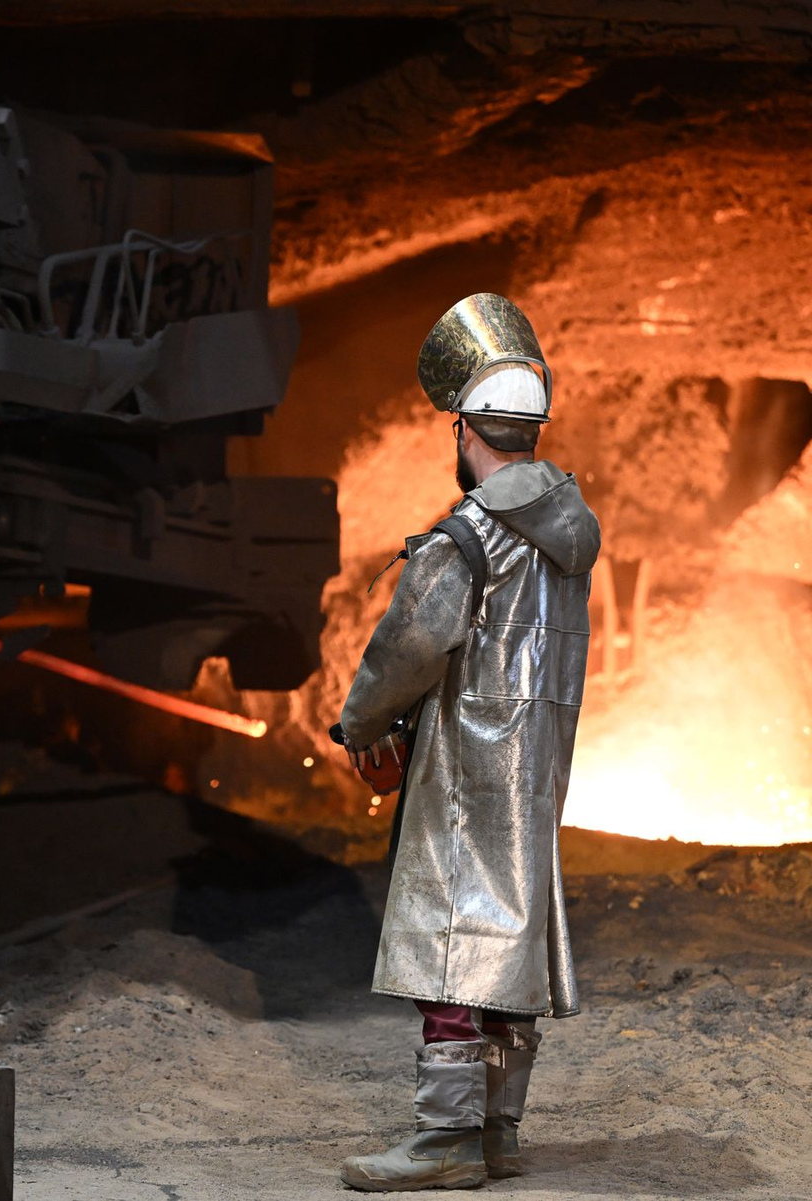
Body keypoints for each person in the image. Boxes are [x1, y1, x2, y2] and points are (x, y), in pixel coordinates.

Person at [337, 293, 601, 1191]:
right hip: (536, 767)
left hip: (464, 764)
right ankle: (498, 1128)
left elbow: (406, 649)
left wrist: (361, 725)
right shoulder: (570, 534)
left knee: (450, 940)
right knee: (510, 932)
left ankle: (444, 1139)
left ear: (465, 432)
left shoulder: (468, 538)